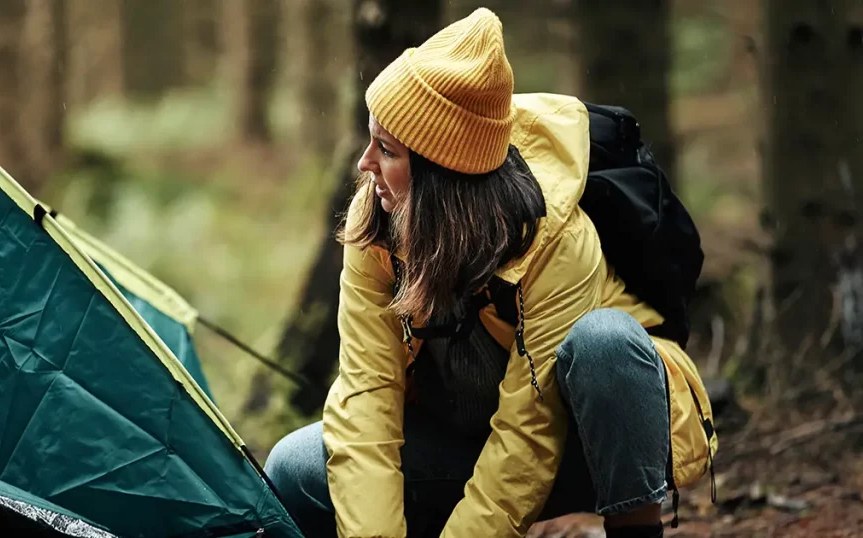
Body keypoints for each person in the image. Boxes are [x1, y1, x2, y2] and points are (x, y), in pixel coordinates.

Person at [264, 8, 717, 538]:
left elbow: (531, 431)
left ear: (441, 174)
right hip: (463, 442)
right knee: (296, 465)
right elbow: (367, 397)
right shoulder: (377, 223)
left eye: (386, 150)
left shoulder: (556, 239)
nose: (364, 164)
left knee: (605, 343)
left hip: (578, 449)